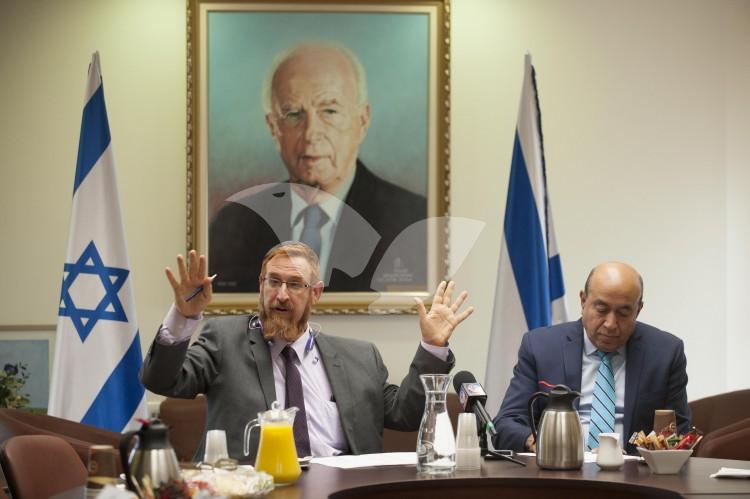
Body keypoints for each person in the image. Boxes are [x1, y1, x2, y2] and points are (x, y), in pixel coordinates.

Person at [141, 242, 473, 461]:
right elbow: (162, 381)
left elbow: (407, 414)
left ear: (315, 293)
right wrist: (183, 317)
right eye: (273, 282)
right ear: (261, 285)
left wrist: (433, 346)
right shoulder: (225, 339)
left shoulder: (360, 357)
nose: (281, 295)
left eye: (295, 284)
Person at [209, 42, 427, 293]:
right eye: (293, 114)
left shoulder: (414, 224)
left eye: (329, 111)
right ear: (273, 127)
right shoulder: (234, 225)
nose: (311, 133)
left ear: (363, 120)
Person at [492, 262, 691, 454]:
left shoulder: (665, 353)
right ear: (583, 301)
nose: (610, 324)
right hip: (558, 469)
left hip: (634, 472)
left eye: (623, 313)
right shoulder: (541, 347)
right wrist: (539, 442)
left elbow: (679, 432)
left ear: (638, 310)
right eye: (601, 310)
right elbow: (506, 423)